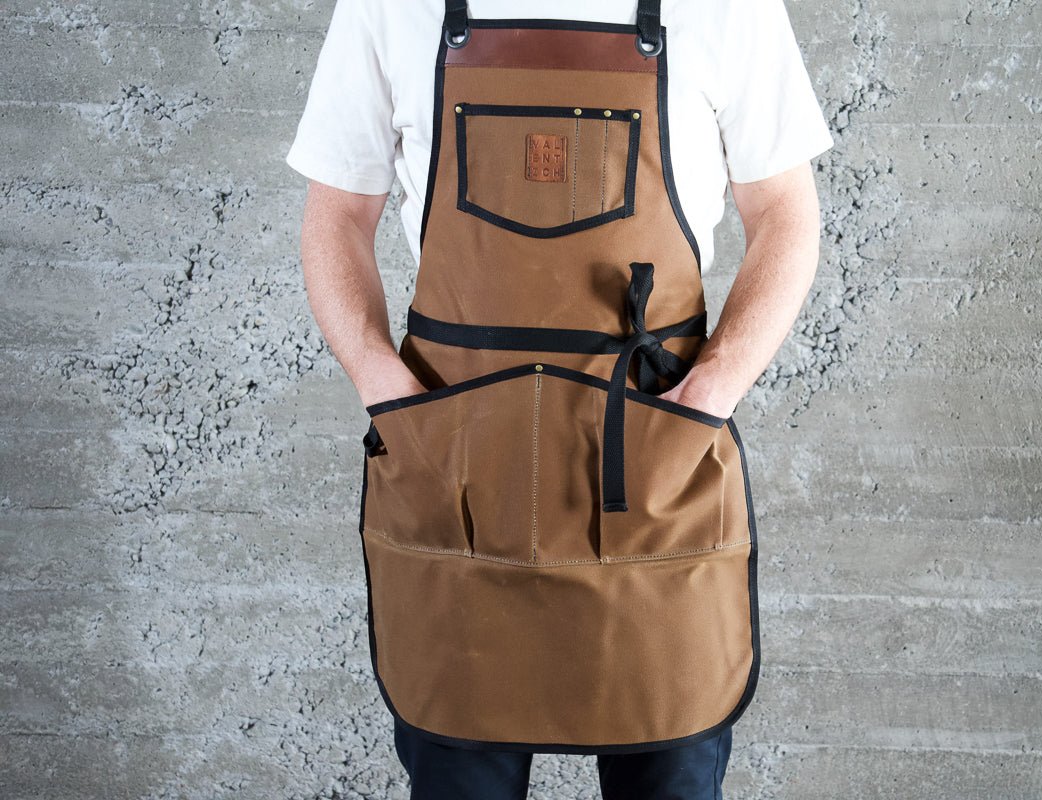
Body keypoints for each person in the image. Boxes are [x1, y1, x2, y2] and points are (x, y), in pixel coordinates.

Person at [285, 0, 832, 797]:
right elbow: (335, 213)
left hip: (653, 473)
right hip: (459, 478)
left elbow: (786, 212)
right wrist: (388, 393)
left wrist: (708, 395)